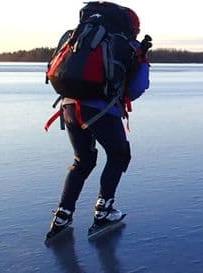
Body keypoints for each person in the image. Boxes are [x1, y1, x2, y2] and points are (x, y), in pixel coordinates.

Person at [46, 2, 151, 240]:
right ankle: (103, 212)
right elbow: (137, 88)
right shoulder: (125, 43)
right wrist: (141, 60)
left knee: (82, 160)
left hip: (69, 106)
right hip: (100, 110)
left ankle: (62, 215)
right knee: (118, 155)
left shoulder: (78, 37)